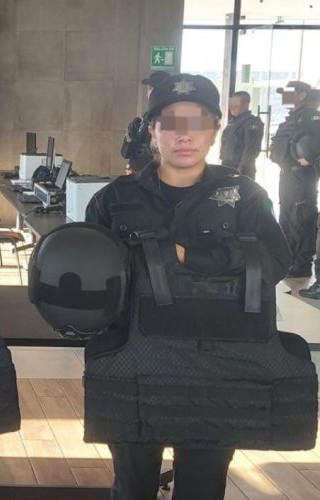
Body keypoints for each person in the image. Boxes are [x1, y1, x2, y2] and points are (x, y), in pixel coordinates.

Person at [86, 74, 292, 499]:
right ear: (152, 130)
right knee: (132, 484)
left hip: (217, 367)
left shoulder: (245, 196)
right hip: (136, 363)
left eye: (197, 122)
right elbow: (92, 276)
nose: (184, 135)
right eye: (170, 123)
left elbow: (274, 262)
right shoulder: (115, 199)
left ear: (215, 129)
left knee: (202, 485)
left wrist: (190, 258)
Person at [270, 80, 320, 279]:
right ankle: (288, 260)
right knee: (287, 217)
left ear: (302, 95)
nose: (285, 96)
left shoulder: (310, 115)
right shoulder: (292, 117)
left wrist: (310, 156)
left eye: (289, 92)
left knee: (301, 218)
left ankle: (302, 264)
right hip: (287, 174)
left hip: (301, 176)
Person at [121, 71, 171, 174]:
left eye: (153, 88)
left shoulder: (169, 116)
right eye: (149, 88)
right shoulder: (147, 116)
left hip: (155, 175)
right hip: (140, 174)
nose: (149, 92)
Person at [220, 90, 264, 179]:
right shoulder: (233, 122)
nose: (231, 107)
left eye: (235, 103)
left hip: (242, 170)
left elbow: (251, 149)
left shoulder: (252, 122)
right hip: (227, 167)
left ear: (245, 104)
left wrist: (240, 171)